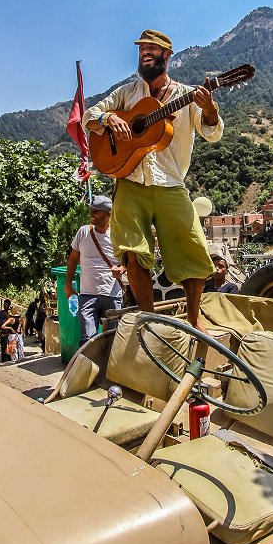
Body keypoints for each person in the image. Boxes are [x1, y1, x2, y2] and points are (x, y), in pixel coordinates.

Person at [84, 29, 223, 331]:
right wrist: (109, 118)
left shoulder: (187, 96)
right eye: (141, 48)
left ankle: (194, 318)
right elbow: (89, 116)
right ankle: (149, 318)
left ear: (167, 55)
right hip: (130, 180)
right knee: (132, 253)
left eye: (152, 48)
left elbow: (211, 131)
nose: (144, 52)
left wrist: (210, 108)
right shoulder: (127, 93)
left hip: (171, 183)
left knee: (192, 248)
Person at [64, 195, 124, 346]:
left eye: (96, 211)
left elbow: (129, 260)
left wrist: (122, 269)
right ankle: (91, 369)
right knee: (87, 342)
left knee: (112, 340)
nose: (92, 214)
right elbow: (72, 259)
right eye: (91, 210)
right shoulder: (83, 232)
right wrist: (68, 285)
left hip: (111, 295)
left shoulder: (119, 235)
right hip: (87, 295)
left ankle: (107, 369)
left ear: (108, 214)